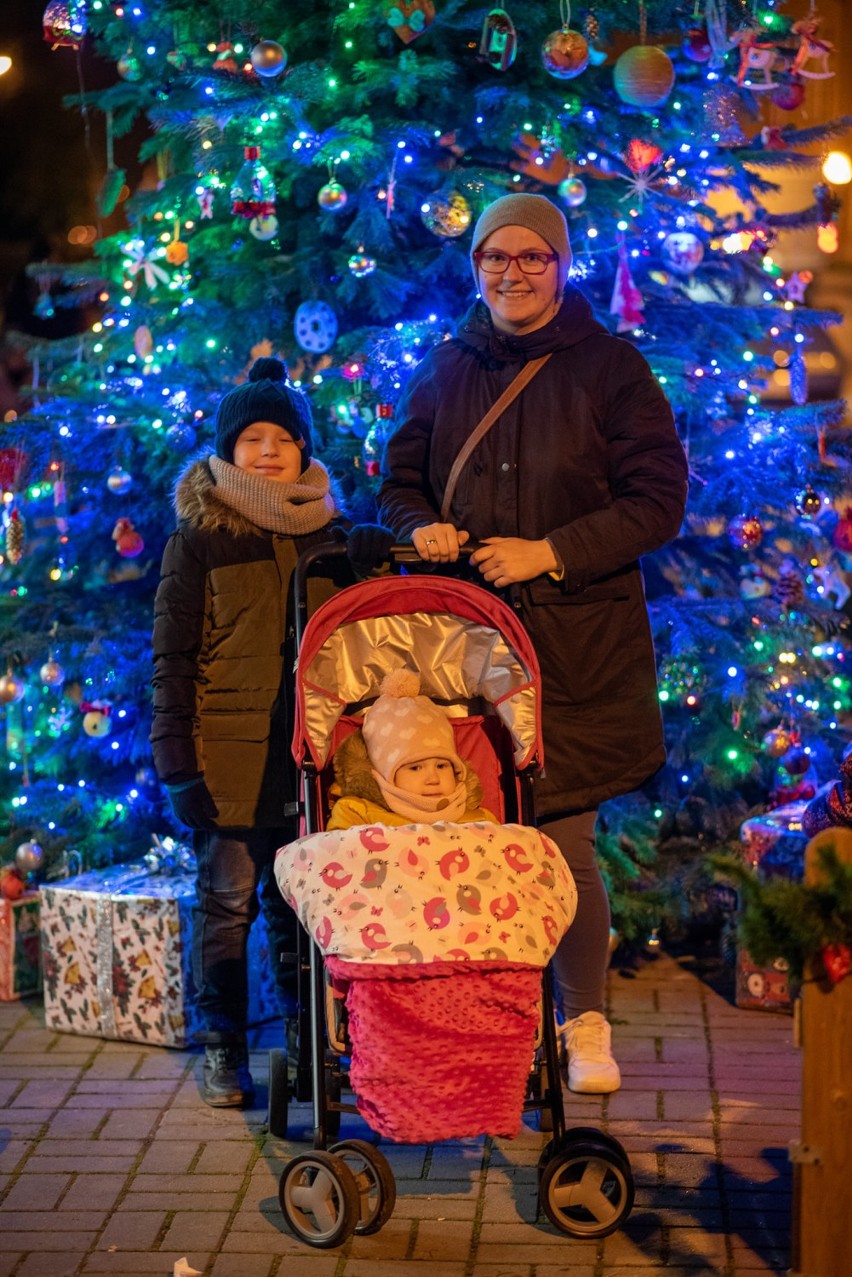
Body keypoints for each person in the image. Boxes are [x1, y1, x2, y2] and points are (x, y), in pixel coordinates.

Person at [378, 192, 688, 1094]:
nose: (511, 272)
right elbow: (400, 481)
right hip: (465, 649)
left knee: (565, 842)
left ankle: (582, 1023)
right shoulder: (444, 369)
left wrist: (552, 551)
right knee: (470, 840)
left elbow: (659, 500)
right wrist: (419, 526)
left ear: (560, 266)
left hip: (578, 650)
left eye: (531, 257)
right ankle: (489, 1024)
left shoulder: (610, 368)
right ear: (475, 268)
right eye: (495, 258)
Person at [150, 356, 385, 1108]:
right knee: (227, 904)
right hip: (226, 764)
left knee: (302, 906)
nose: (268, 451)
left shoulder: (334, 536)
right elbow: (173, 658)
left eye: (282, 438)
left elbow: (369, 643)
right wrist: (178, 765)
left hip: (310, 761)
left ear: (305, 451)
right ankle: (222, 1040)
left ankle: (307, 1034)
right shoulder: (202, 539)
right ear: (227, 452)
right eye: (251, 439)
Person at [326, 668, 496, 830]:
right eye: (415, 768)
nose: (433, 779)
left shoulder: (480, 820)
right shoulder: (357, 814)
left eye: (442, 766)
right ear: (385, 775)